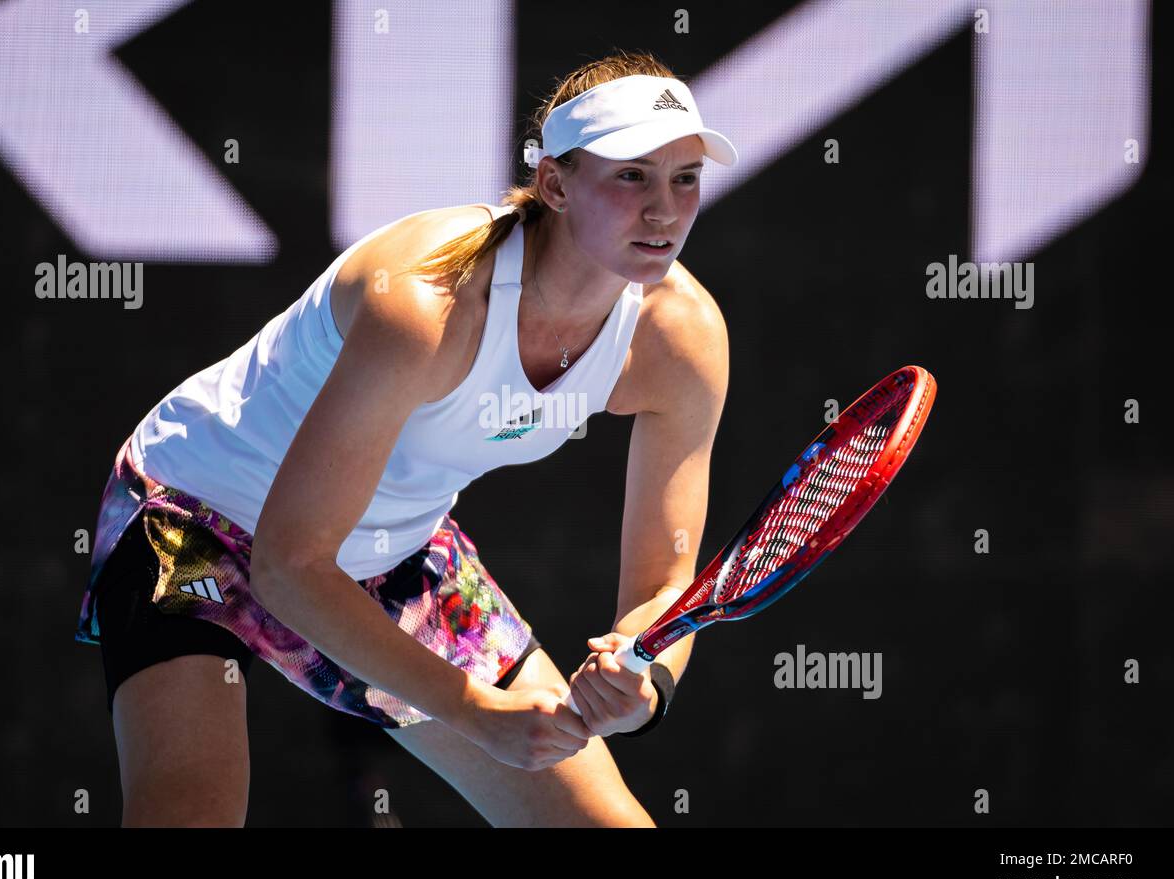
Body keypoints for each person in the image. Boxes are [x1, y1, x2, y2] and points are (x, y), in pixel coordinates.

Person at [74, 48, 736, 828]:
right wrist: (473, 710)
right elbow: (288, 568)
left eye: (684, 178)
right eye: (631, 176)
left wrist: (641, 682)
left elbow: (667, 581)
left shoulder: (681, 339)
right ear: (555, 184)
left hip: (391, 548)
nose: (664, 210)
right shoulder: (427, 304)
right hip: (194, 517)